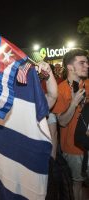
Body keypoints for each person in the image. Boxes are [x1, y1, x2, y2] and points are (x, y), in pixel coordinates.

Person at [52, 48, 89, 200]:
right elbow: (62, 122)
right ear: (70, 67)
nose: (87, 65)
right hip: (73, 148)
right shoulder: (59, 90)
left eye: (87, 62)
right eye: (82, 62)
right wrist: (73, 103)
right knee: (77, 184)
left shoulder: (88, 83)